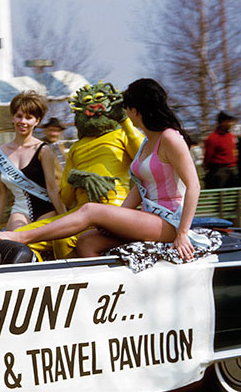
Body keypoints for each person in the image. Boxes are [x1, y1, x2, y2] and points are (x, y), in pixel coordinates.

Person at [0, 78, 210, 261]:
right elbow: (140, 186)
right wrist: (117, 218)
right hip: (147, 218)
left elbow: (194, 186)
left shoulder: (169, 138)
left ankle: (23, 237)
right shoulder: (146, 142)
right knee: (87, 241)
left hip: (169, 221)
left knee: (91, 211)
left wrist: (182, 234)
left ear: (135, 111)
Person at [15, 80, 144, 259]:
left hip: (114, 210)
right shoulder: (75, 147)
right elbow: (66, 198)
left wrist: (125, 122)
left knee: (62, 239)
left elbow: (146, 159)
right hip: (80, 214)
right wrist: (74, 180)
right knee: (19, 237)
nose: (92, 104)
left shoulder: (122, 134)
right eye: (87, 101)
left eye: (98, 99)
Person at [0, 91, 66, 231]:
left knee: (32, 239)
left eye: (29, 117)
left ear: (37, 121)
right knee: (14, 242)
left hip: (47, 210)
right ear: (13, 117)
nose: (23, 121)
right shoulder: (0, 154)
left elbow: (52, 188)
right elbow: (0, 192)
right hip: (20, 211)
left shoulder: (43, 150)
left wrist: (65, 217)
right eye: (19, 116)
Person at [203, 111, 238, 189]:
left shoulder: (231, 136)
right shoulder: (213, 138)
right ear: (222, 123)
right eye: (228, 122)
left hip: (233, 169)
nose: (230, 124)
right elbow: (208, 155)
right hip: (220, 171)